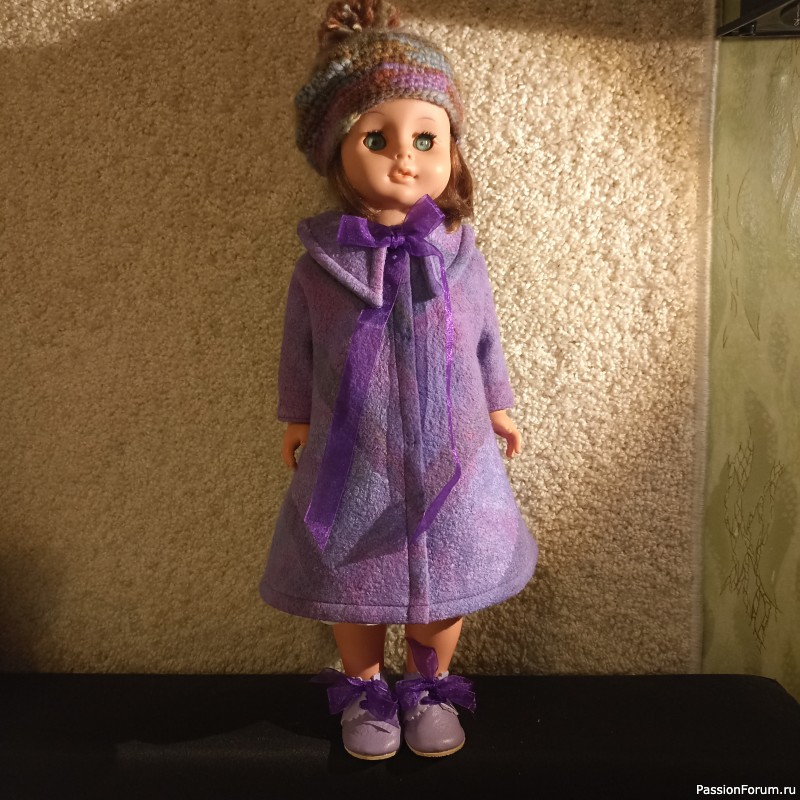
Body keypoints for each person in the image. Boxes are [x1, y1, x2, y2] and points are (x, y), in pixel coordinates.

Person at [259, 0, 538, 760]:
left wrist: (500, 405)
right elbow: (300, 348)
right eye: (377, 139)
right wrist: (296, 415)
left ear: (451, 149)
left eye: (426, 138)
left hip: (457, 449)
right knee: (354, 574)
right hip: (355, 456)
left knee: (449, 574)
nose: (405, 159)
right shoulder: (322, 265)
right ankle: (365, 689)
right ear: (337, 153)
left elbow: (484, 337)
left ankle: (429, 686)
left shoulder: (462, 255)